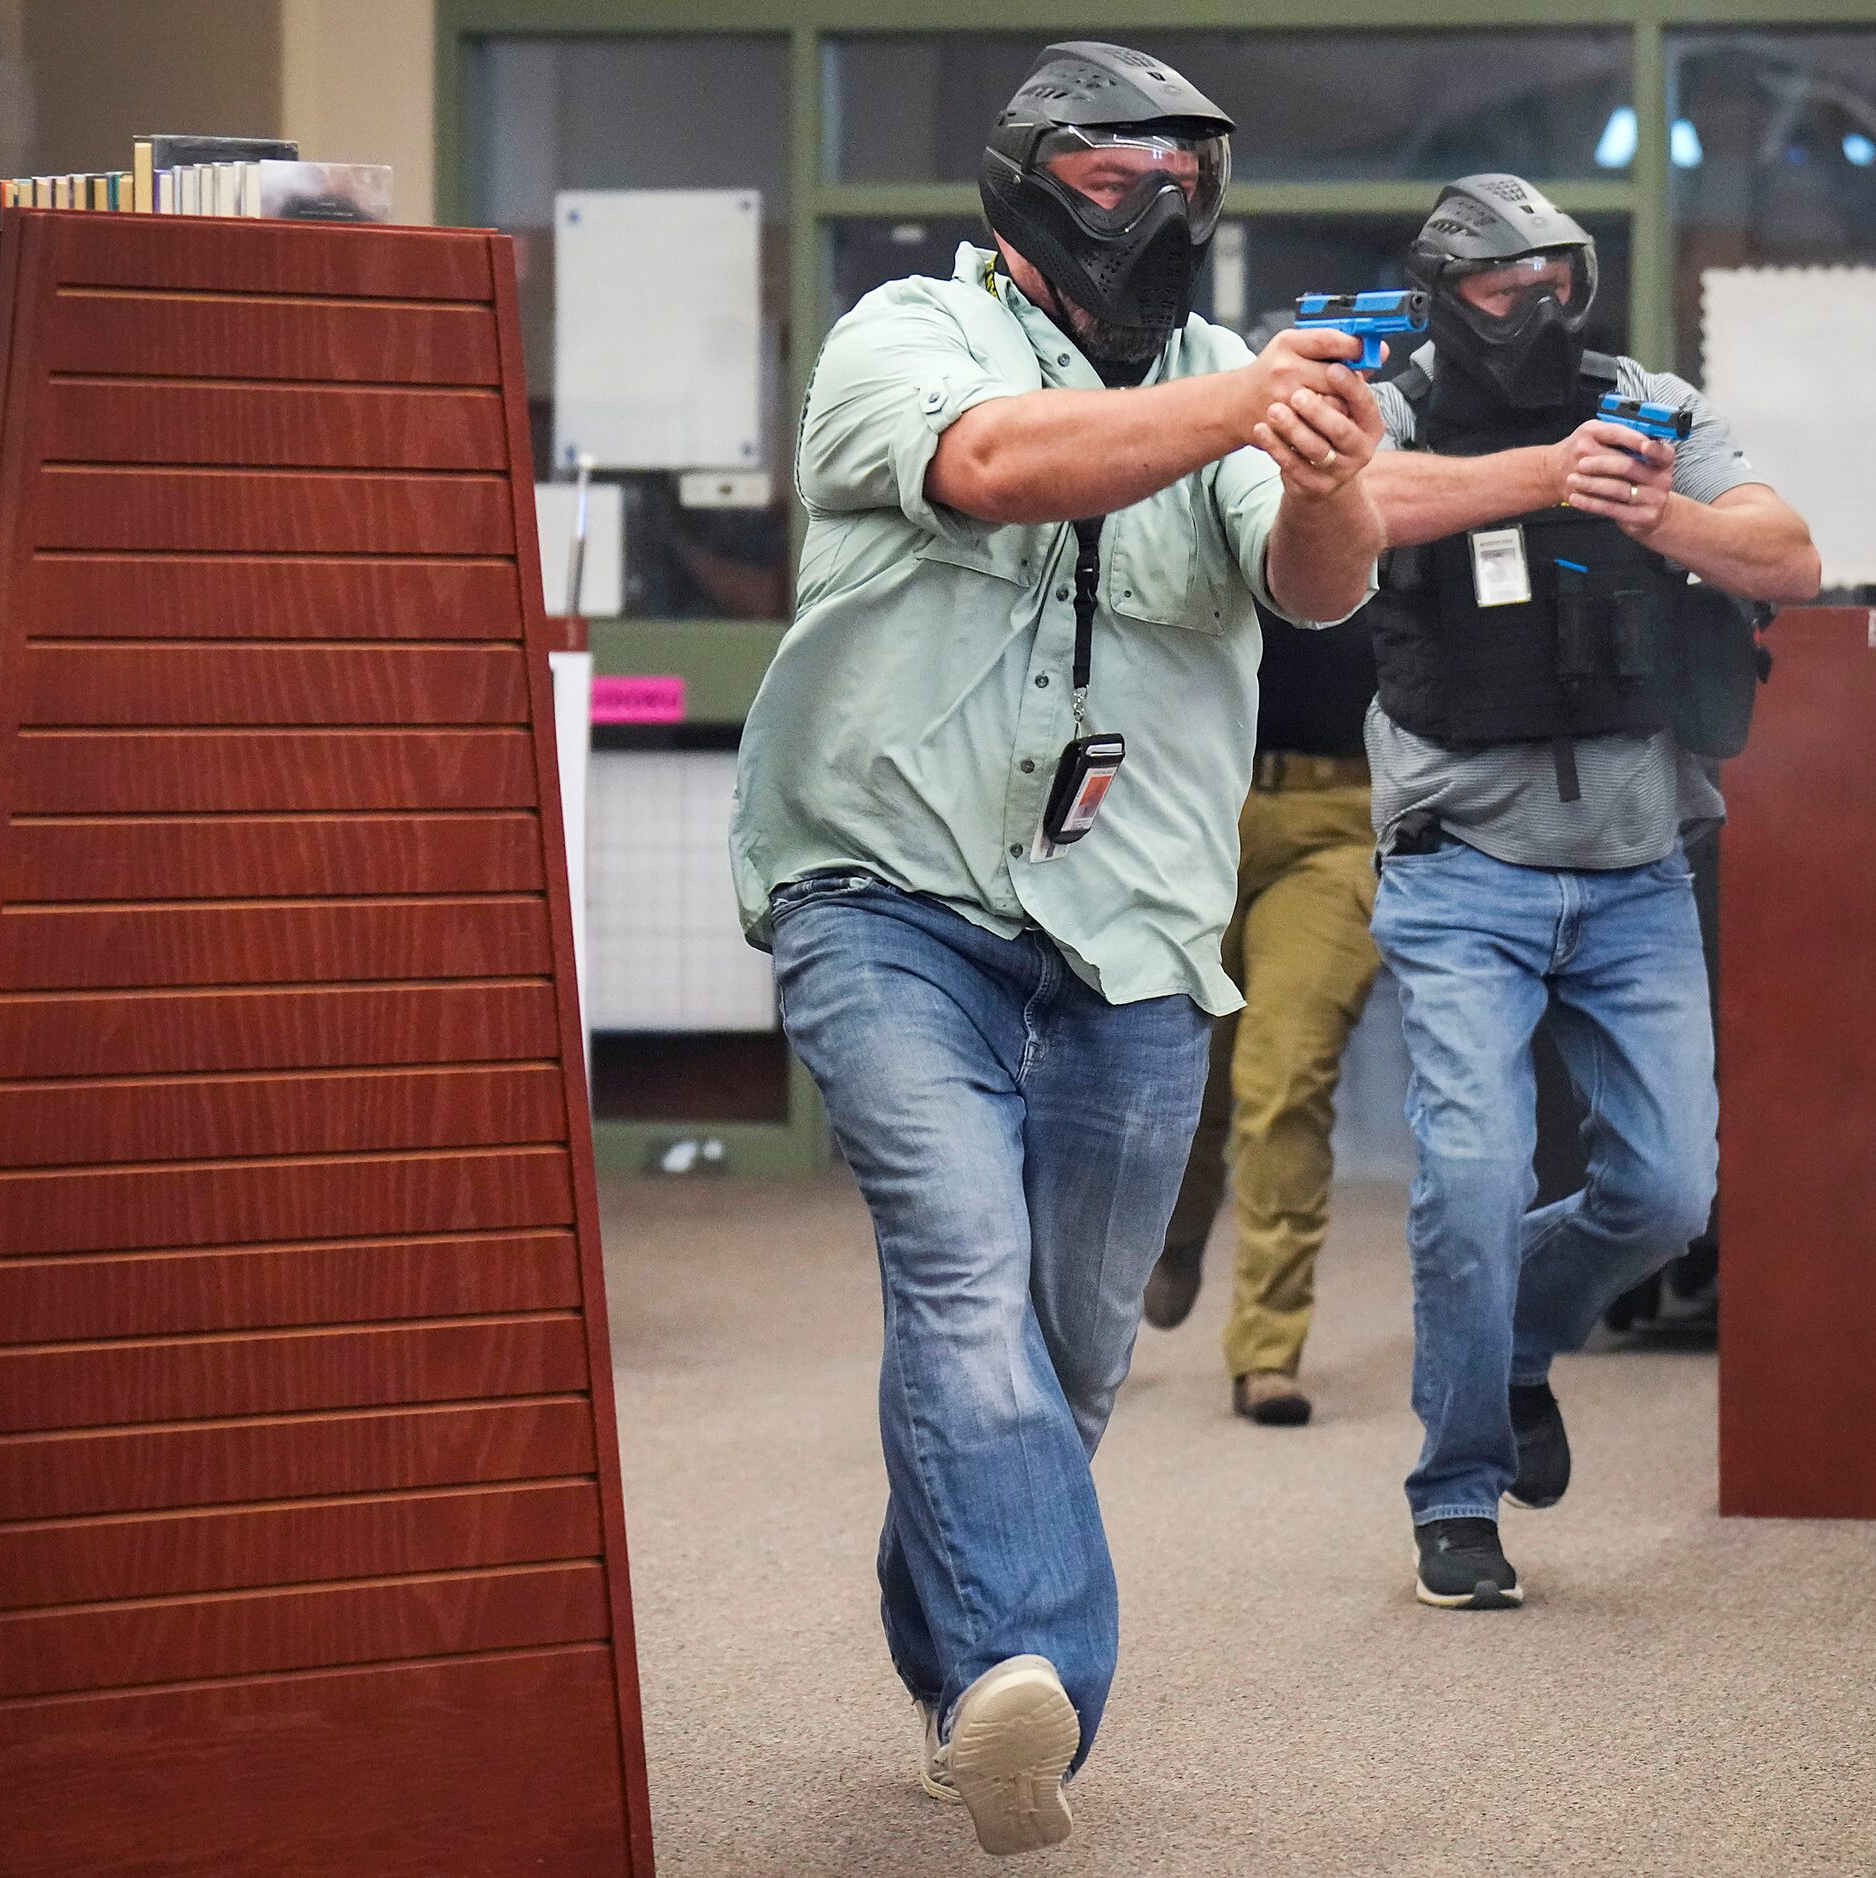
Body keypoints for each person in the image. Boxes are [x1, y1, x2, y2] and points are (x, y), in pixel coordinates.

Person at [729, 41, 1386, 1857]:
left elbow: (1317, 582)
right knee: (959, 1260)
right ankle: (1032, 1673)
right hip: (880, 891)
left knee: (1062, 1354)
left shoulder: (1227, 392)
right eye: (1113, 172)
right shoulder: (899, 339)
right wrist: (1256, 402)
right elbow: (1003, 464)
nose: (1153, 203)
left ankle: (955, 1656)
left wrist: (1328, 466)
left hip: (1135, 936)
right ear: (1024, 182)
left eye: (1185, 173)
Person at [1354, 175, 1819, 1611]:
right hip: (1458, 872)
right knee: (1476, 1177)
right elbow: (1350, 513)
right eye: (1504, 285)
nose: (1537, 307)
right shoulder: (1393, 408)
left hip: (1635, 874)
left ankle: (1510, 1346)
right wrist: (1546, 474)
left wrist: (1658, 512)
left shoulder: (1648, 402)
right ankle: (1455, 1491)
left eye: (1559, 277)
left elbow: (1788, 555)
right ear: (1445, 291)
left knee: (1671, 1191)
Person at [1142, 594, 1382, 1430]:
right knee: (1180, 1070)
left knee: (1283, 1077)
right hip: (1192, 806)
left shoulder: (1400, 476)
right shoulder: (1202, 472)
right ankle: (1172, 1233)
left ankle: (1267, 1350)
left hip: (1340, 822)